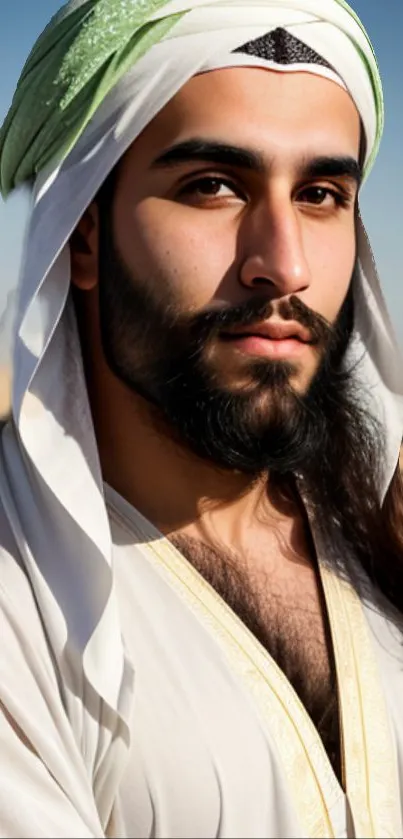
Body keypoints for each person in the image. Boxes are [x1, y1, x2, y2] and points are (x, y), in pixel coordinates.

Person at [1, 0, 403, 836]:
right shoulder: (20, 604)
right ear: (80, 235)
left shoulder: (375, 526)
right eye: (212, 186)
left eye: (322, 193)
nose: (282, 264)